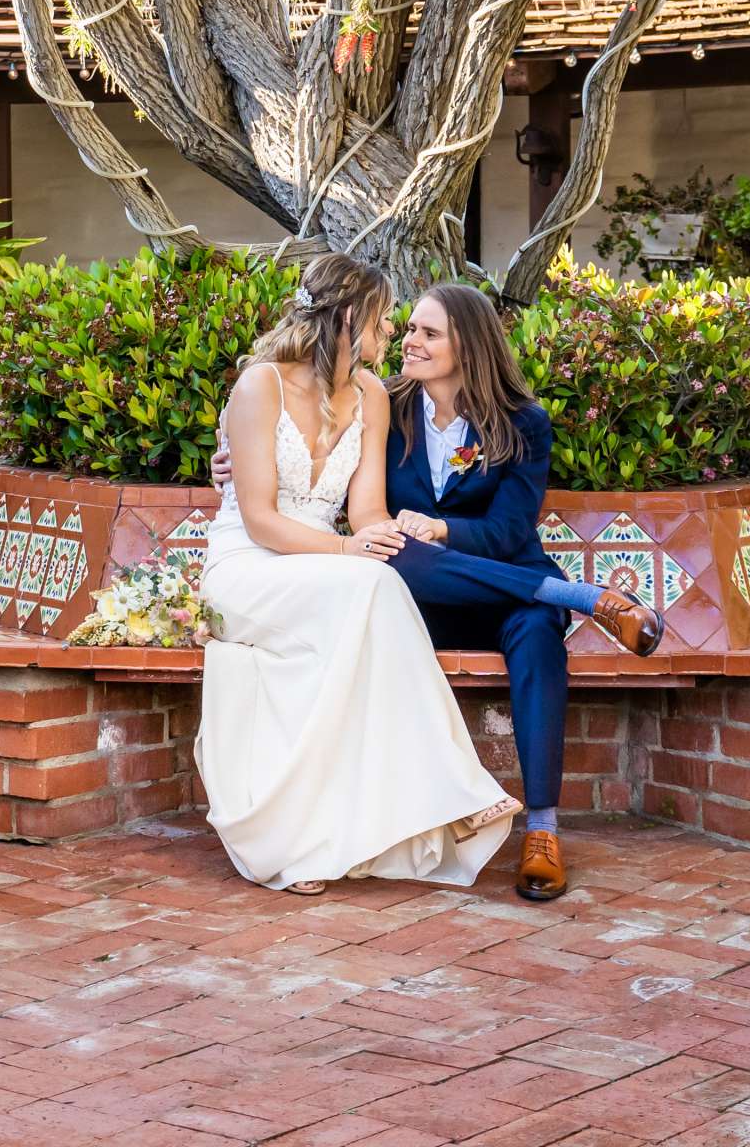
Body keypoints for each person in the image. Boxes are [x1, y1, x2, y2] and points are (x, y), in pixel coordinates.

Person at [218, 281, 664, 904]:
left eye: (429, 333)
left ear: (468, 345)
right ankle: (580, 598)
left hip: (498, 590)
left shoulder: (522, 425)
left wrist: (443, 527)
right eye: (408, 330)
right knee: (404, 560)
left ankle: (541, 831)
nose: (410, 341)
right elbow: (343, 489)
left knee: (536, 635)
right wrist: (237, 460)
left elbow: (511, 530)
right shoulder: (384, 403)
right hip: (417, 598)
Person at [196, 254, 521, 896]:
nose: (391, 333)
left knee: (376, 589)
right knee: (372, 585)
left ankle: (317, 839)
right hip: (248, 563)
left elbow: (365, 511)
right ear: (350, 317)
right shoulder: (260, 385)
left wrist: (384, 534)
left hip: (320, 567)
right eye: (382, 320)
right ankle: (456, 789)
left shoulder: (373, 394)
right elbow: (260, 521)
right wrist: (350, 553)